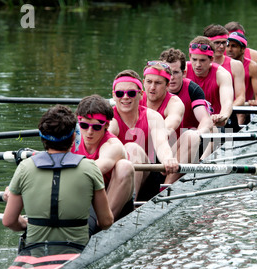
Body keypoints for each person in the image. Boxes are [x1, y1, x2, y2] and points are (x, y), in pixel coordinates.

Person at [2, 105, 114, 248]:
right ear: (74, 136)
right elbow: (106, 222)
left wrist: (26, 224)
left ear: (42, 137)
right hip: (77, 247)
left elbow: (8, 221)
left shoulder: (25, 167)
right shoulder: (90, 167)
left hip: (35, 247)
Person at [108, 70, 179, 200]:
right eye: (119, 93)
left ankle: (129, 205)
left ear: (141, 95)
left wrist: (168, 159)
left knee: (132, 148)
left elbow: (161, 143)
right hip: (114, 174)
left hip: (146, 176)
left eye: (131, 93)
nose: (125, 97)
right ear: (113, 96)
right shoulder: (110, 120)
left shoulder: (153, 116)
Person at [72, 94, 135, 222]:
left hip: (112, 196)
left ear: (106, 125)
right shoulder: (71, 138)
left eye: (96, 127)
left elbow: (96, 168)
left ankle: (103, 223)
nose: (89, 132)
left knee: (125, 166)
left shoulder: (113, 146)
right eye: (84, 126)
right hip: (85, 193)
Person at [159, 48, 214, 182]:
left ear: (183, 73)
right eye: (167, 73)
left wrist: (198, 134)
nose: (171, 78)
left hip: (185, 144)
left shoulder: (192, 89)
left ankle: (166, 187)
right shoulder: (153, 88)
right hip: (159, 146)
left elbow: (205, 120)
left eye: (175, 72)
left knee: (199, 135)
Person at [185, 36, 236, 130]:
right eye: (194, 59)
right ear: (189, 57)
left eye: (202, 60)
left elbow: (227, 102)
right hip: (190, 125)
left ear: (211, 59)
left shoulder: (222, 74)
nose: (198, 65)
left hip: (215, 124)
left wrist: (222, 116)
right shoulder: (182, 72)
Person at [225, 21, 257, 102]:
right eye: (228, 43)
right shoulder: (217, 56)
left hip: (249, 101)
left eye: (235, 44)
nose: (230, 49)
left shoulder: (256, 56)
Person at [203, 24, 246, 111]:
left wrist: (226, 111)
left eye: (224, 42)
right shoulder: (197, 63)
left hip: (226, 114)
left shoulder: (236, 65)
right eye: (217, 43)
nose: (222, 46)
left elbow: (241, 98)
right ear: (207, 43)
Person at [140, 60, 185, 143]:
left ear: (167, 85)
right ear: (143, 83)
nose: (152, 87)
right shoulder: (136, 98)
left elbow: (168, 126)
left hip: (169, 151)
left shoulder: (175, 103)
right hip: (142, 150)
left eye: (158, 83)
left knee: (191, 136)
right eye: (149, 82)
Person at [226, 31, 257, 108]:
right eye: (227, 46)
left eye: (234, 46)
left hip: (244, 108)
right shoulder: (220, 64)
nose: (229, 49)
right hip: (226, 106)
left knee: (241, 116)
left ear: (243, 49)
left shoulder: (252, 66)